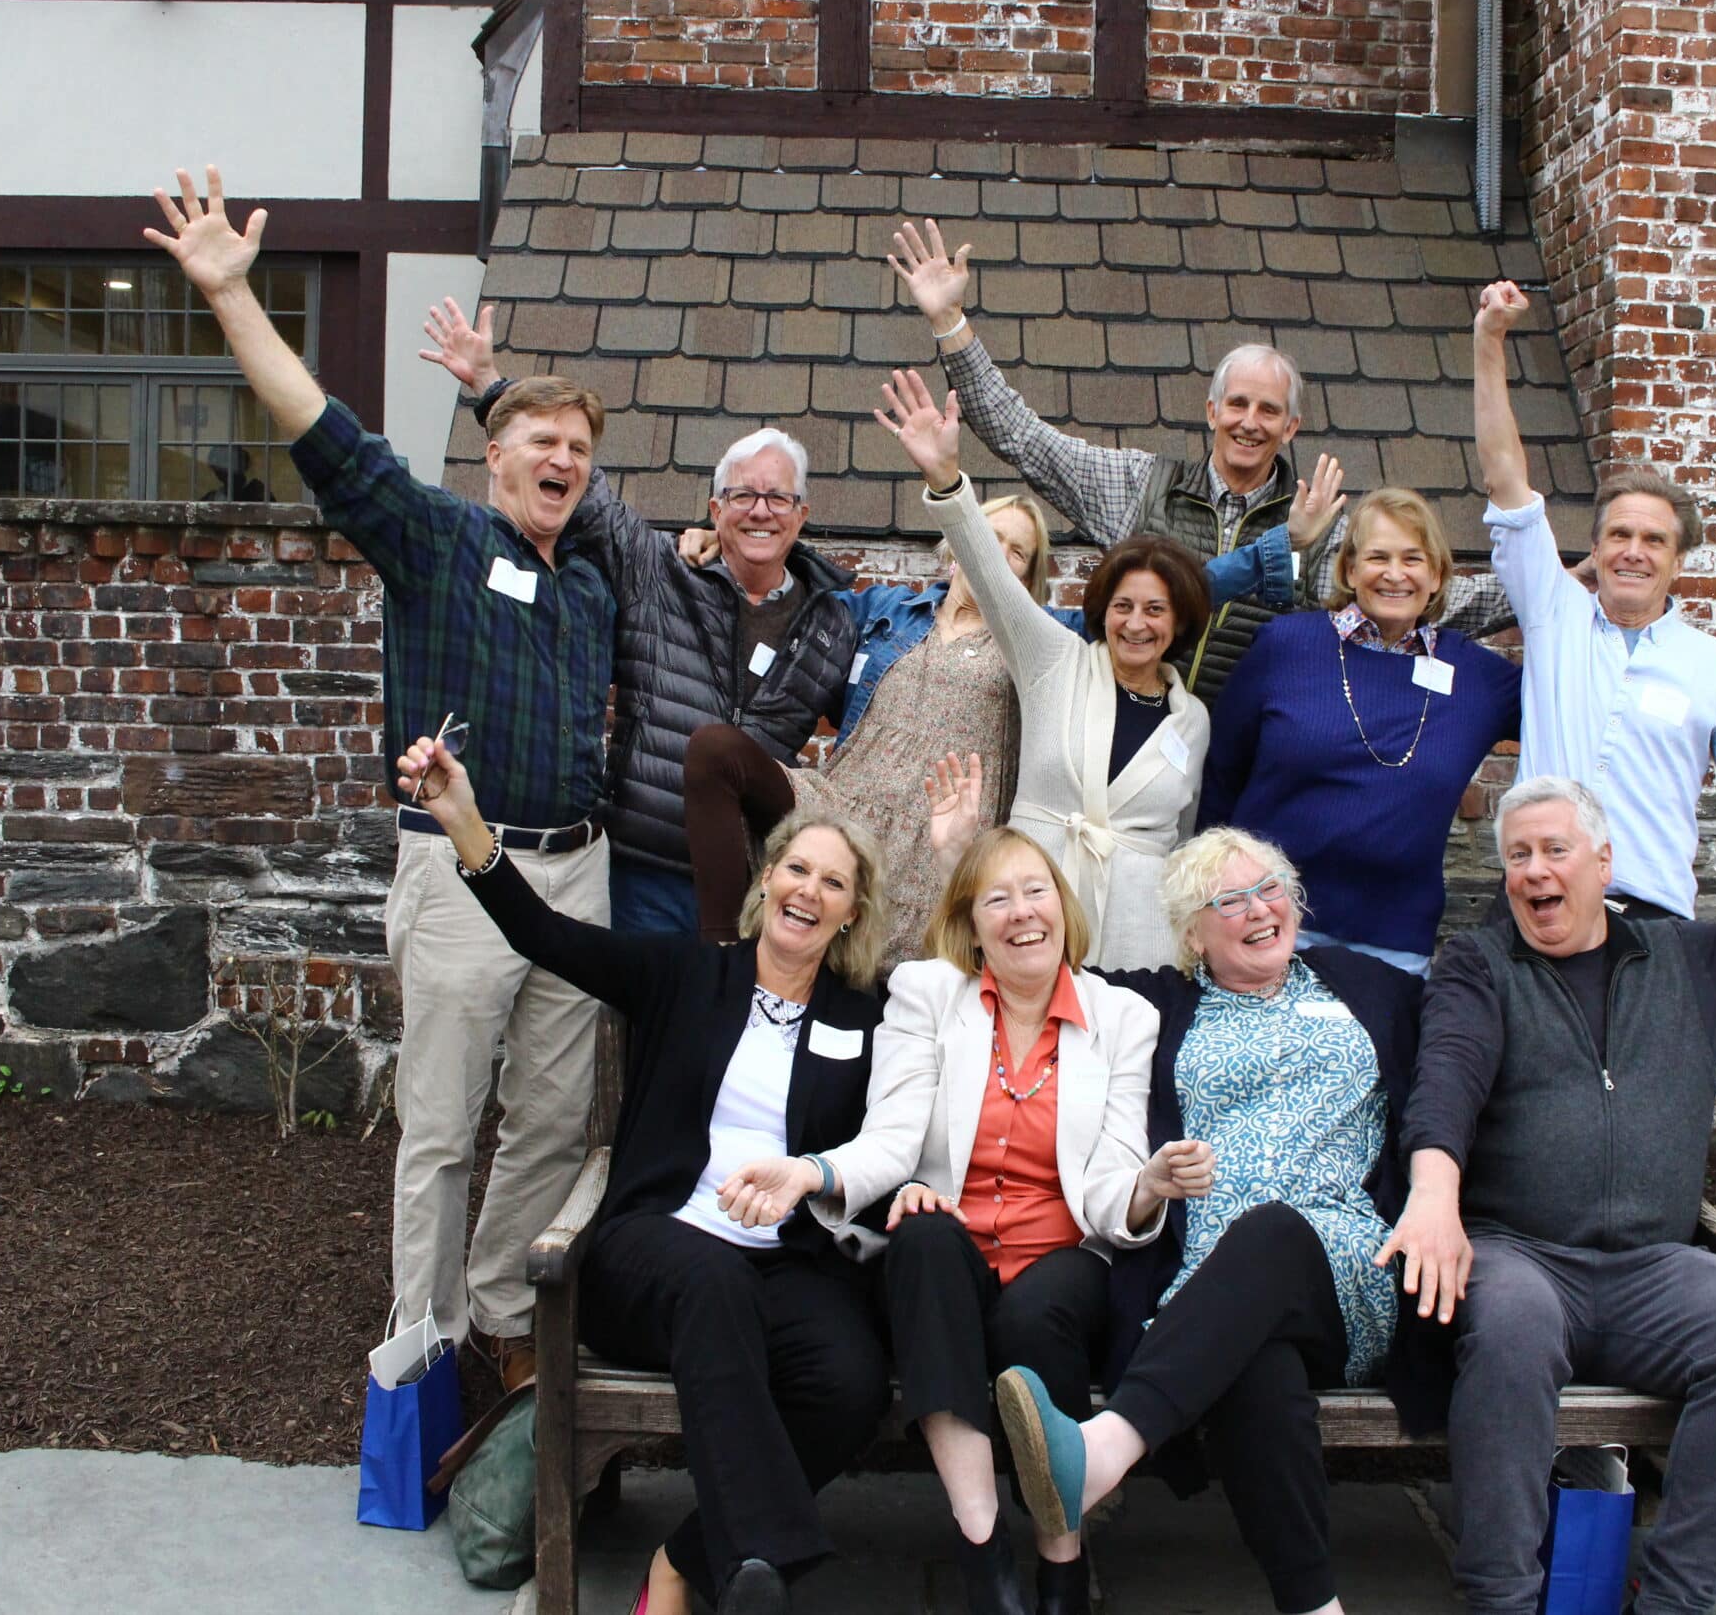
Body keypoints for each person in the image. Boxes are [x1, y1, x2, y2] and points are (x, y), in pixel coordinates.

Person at [142, 169, 613, 1390]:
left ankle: (501, 1311)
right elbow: (324, 437)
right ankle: (423, 1342)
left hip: (578, 873)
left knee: (556, 1119)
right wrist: (233, 297)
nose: (559, 461)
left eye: (577, 450)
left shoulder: (593, 583)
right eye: (539, 443)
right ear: (494, 454)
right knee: (446, 1127)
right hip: (463, 864)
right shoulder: (438, 540)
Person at [393, 731, 893, 1615]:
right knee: (712, 1283)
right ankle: (754, 1578)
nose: (809, 891)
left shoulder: (866, 1017)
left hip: (782, 1262)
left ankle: (689, 1560)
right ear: (765, 882)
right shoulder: (684, 972)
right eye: (796, 869)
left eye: (833, 882)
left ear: (851, 913)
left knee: (850, 1375)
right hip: (654, 1251)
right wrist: (462, 818)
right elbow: (543, 931)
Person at [1388, 767, 1716, 1615]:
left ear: (1603, 863)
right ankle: (1501, 1597)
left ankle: (1677, 1597)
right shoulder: (1479, 964)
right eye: (1517, 856)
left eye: (1554, 850)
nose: (1534, 871)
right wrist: (1434, 1190)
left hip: (1656, 1268)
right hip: (1524, 1257)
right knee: (1509, 1328)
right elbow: (1446, 1078)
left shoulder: (1687, 957)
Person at [715, 828, 1199, 1614]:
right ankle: (981, 1550)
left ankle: (1061, 1558)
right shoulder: (927, 995)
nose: (1021, 913)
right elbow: (892, 1137)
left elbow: (1110, 1191)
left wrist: (1149, 1183)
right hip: (953, 1250)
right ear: (971, 925)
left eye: (1035, 890)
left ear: (1063, 907)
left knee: (1041, 1315)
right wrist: (813, 1171)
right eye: (996, 899)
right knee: (925, 1242)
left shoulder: (1123, 1017)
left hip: (1061, 1250)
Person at [959, 822, 1425, 1615]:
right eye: (1228, 900)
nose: (1257, 909)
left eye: (1269, 889)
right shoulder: (1157, 1004)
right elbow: (1031, 954)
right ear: (1192, 935)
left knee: (1272, 1228)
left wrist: (1441, 1192)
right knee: (1256, 1368)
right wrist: (960, 863)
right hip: (1210, 1302)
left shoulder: (1370, 988)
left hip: (1346, 1266)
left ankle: (1105, 1449)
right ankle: (1316, 1606)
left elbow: (1464, 1051)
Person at [682, 482, 1340, 971]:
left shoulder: (1045, 643)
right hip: (850, 805)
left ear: (1024, 576)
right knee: (715, 752)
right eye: (987, 538)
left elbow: (1160, 594)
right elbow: (805, 598)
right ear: (952, 552)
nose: (995, 557)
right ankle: (717, 966)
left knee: (881, 1003)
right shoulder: (886, 610)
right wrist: (725, 554)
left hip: (938, 833)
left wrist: (1277, 549)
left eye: (1016, 552)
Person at [888, 218, 1516, 698]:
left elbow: (1420, 598)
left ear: (1291, 426)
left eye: (1269, 411)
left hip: (1239, 763)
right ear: (1211, 411)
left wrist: (1544, 589)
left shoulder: (1321, 526)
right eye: (1237, 404)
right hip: (1127, 734)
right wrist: (949, 322)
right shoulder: (1141, 485)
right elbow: (1022, 436)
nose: (1250, 422)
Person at [421, 298, 861, 934]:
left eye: (777, 497)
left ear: (801, 514)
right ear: (715, 509)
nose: (759, 511)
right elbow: (583, 490)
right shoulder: (660, 571)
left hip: (750, 885)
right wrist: (490, 386)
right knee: (632, 1032)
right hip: (638, 874)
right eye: (743, 495)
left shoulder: (833, 626)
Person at [1472, 280, 1716, 919]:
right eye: (1618, 534)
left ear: (1677, 561)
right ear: (1594, 550)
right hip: (1539, 908)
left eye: (1654, 540)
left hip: (1654, 923)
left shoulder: (1714, 665)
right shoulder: (1553, 614)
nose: (1633, 551)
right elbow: (1504, 474)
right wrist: (1489, 340)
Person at [882, 367, 1212, 969]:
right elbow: (989, 573)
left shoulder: (1193, 720)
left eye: (1155, 610)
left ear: (1179, 623)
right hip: (1031, 925)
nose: (1136, 624)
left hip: (1140, 946)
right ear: (1102, 613)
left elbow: (1183, 841)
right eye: (1123, 607)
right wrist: (946, 479)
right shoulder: (1053, 662)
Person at [1201, 486, 1524, 976]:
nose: (1395, 574)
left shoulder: (1480, 679)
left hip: (1393, 944)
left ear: (1437, 576)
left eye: (1413, 559)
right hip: (1261, 922)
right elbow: (1222, 773)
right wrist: (1211, 896)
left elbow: (1579, 709)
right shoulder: (1284, 646)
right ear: (1350, 570)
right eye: (1378, 557)